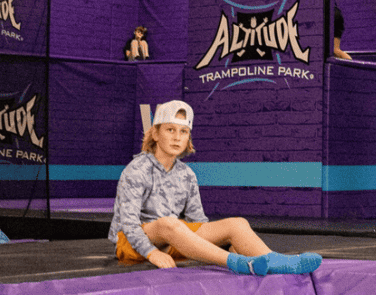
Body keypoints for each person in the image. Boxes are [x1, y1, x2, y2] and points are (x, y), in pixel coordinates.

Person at [109, 100, 323, 276]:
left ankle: (275, 261)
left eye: (183, 132)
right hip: (132, 243)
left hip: (173, 239)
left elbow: (198, 223)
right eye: (170, 130)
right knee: (169, 223)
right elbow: (128, 223)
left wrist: (221, 242)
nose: (177, 137)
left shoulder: (186, 174)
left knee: (237, 224)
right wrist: (151, 253)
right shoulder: (137, 169)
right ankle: (238, 263)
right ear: (155, 134)